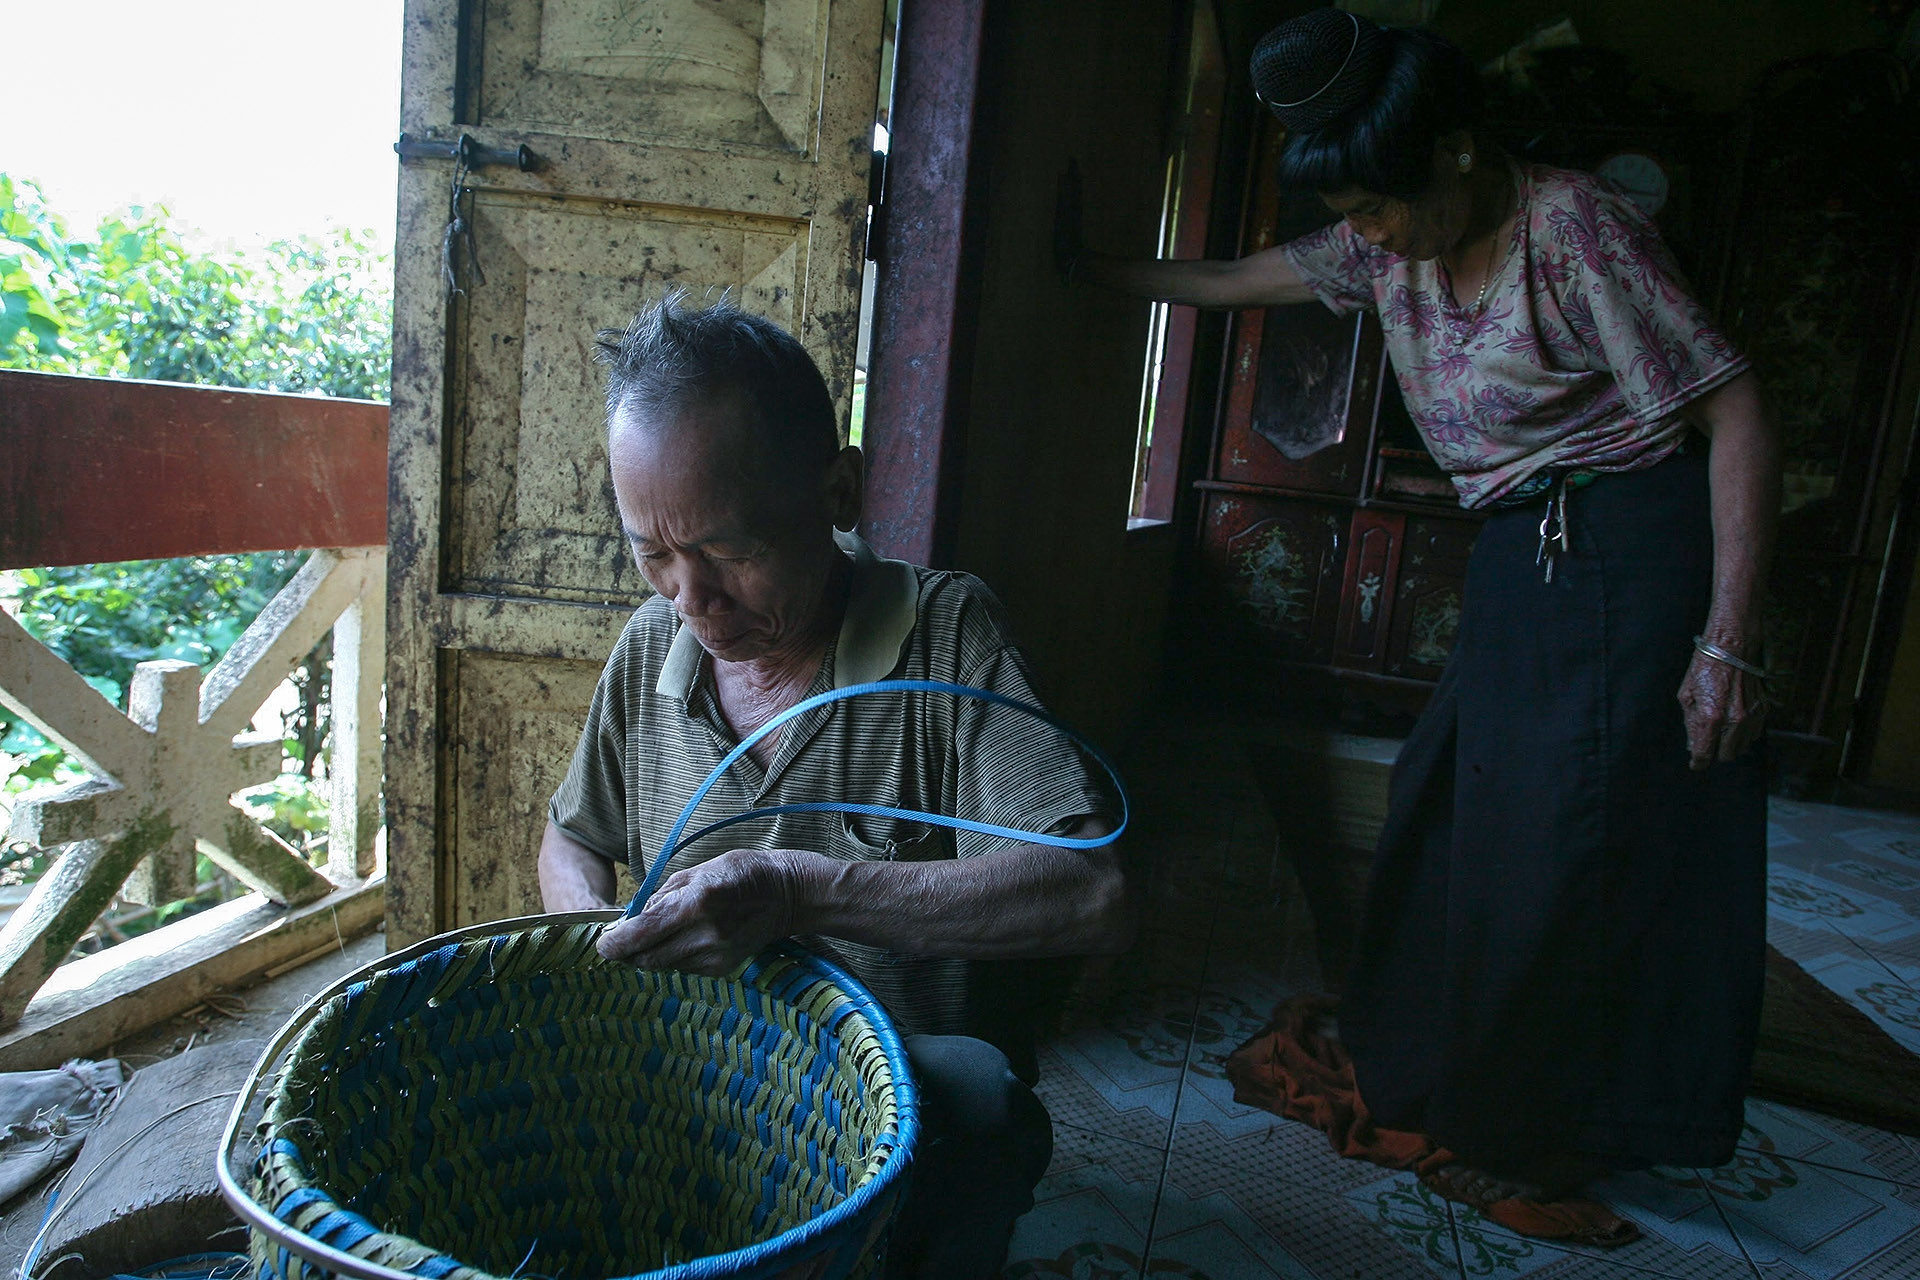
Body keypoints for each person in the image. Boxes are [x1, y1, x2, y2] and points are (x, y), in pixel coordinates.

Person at [1062, 8, 1779, 1208]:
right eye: (1353, 219)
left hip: (1628, 547)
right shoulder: (1388, 241)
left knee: (1571, 854)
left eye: (1380, 206)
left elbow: (1738, 409)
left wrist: (1729, 642)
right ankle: (1429, 1069)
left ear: (1454, 149)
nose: (1373, 238)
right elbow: (1242, 278)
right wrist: (1096, 272)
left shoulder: (1578, 231)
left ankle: (1533, 1119)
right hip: (1522, 554)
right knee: (1440, 816)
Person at [537, 293, 1134, 1280]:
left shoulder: (946, 635)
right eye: (653, 553)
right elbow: (570, 834)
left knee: (982, 1099)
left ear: (839, 491)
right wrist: (593, 936)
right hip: (705, 1063)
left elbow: (1094, 891)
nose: (694, 598)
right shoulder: (652, 646)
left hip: (894, 1091)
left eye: (730, 551)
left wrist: (795, 890)